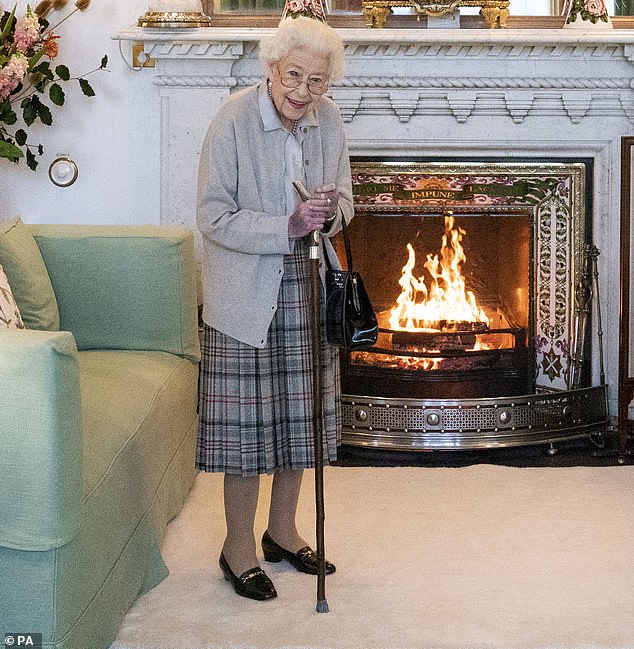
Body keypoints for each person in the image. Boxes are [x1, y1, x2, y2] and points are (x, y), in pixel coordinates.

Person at [196, 16, 353, 601]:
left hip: (309, 283)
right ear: (271, 68)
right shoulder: (234, 119)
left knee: (299, 418)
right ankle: (237, 546)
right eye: (294, 76)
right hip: (244, 292)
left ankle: (282, 532)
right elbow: (212, 217)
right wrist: (286, 225)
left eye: (316, 82)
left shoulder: (328, 120)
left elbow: (347, 204)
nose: (302, 92)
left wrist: (327, 212)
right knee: (246, 430)